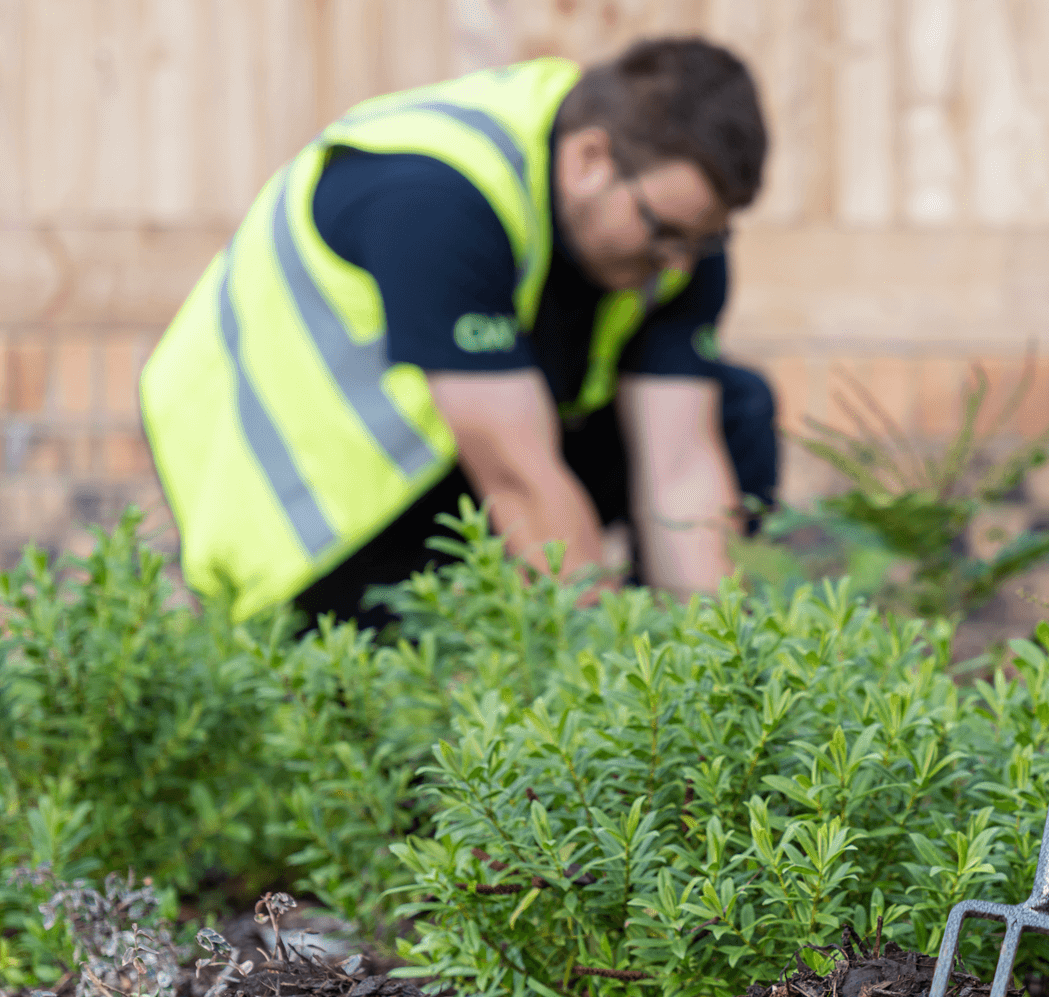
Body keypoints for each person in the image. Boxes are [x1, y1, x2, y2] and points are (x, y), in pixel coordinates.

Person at [141, 37, 779, 624]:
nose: (681, 263)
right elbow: (516, 478)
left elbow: (681, 465)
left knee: (737, 408)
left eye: (705, 239)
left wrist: (709, 672)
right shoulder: (436, 195)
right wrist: (612, 684)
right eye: (665, 232)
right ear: (591, 159)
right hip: (308, 514)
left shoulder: (675, 232)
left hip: (455, 461)